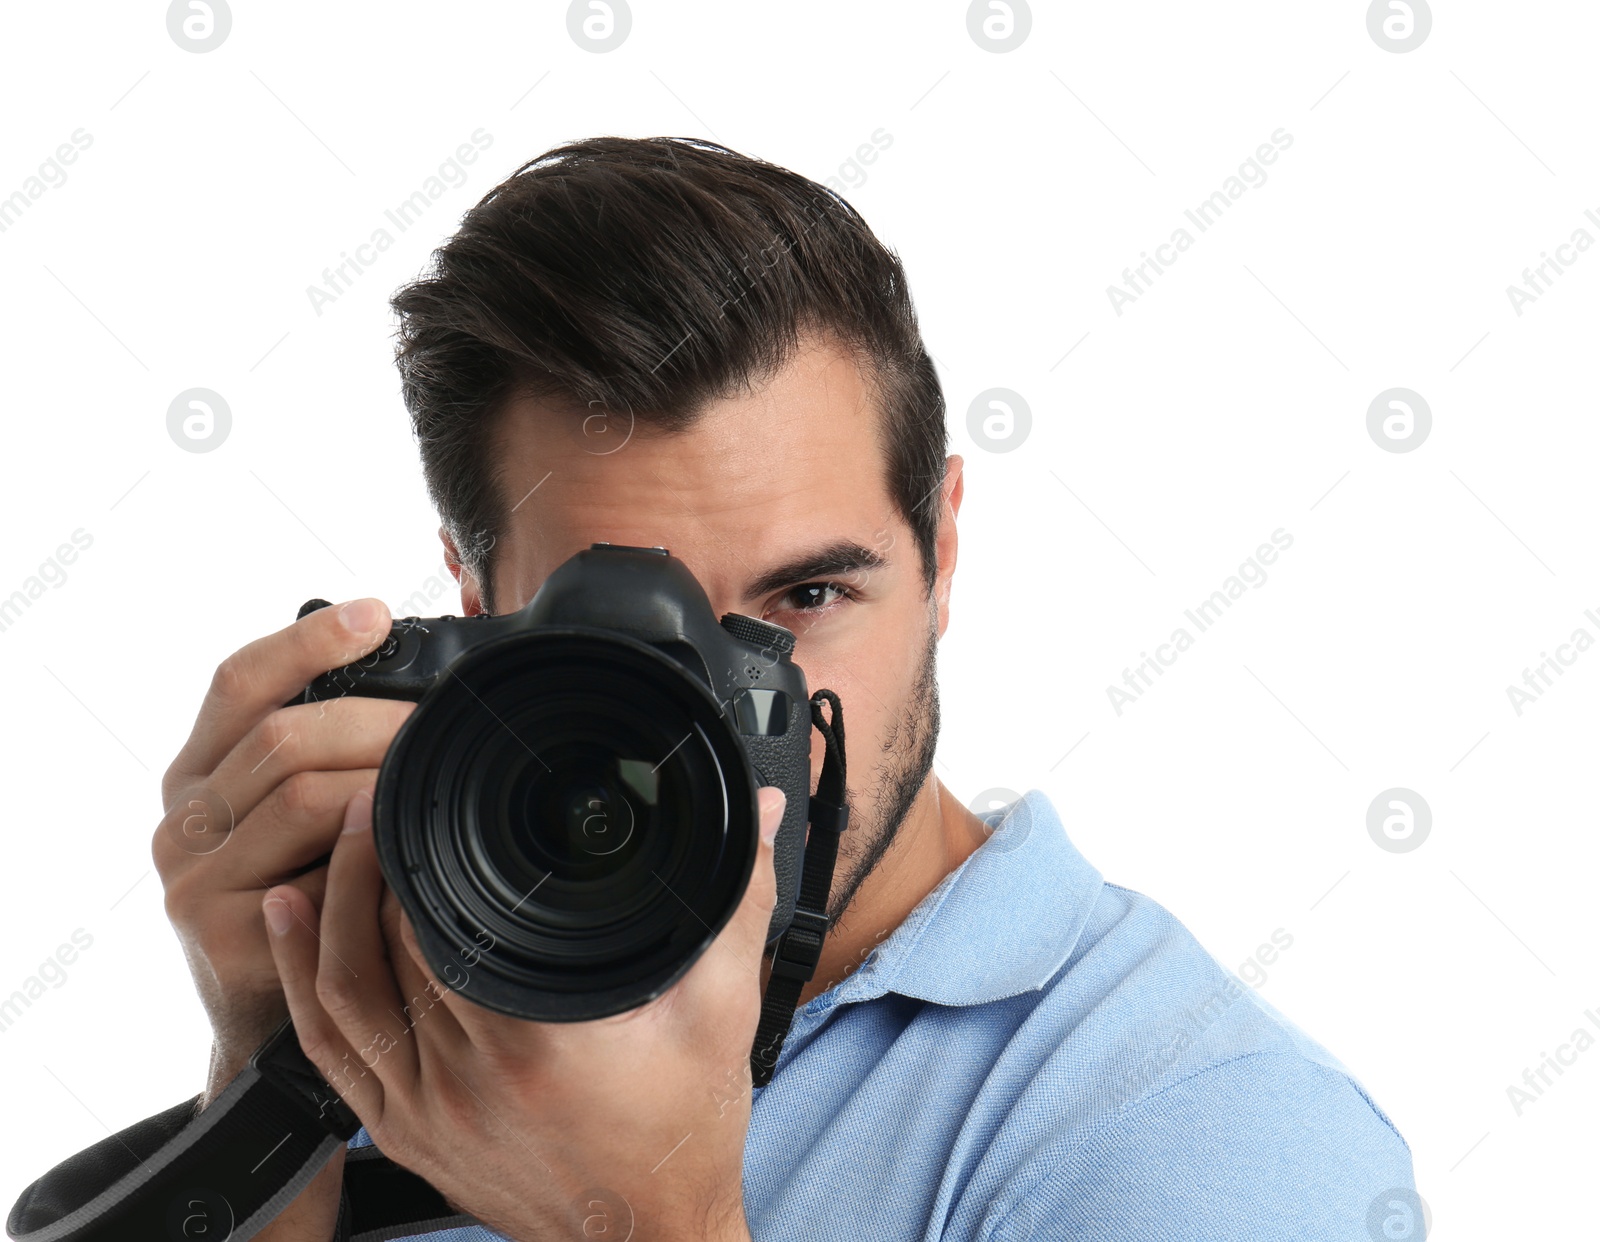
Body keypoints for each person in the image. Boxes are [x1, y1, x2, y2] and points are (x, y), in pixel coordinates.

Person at [147, 136, 1413, 1241]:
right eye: (630, 634)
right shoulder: (435, 974)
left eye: (805, 600)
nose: (716, 717)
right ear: (477, 606)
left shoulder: (1201, 1127)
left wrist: (655, 1223)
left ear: (943, 549)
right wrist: (272, 1050)